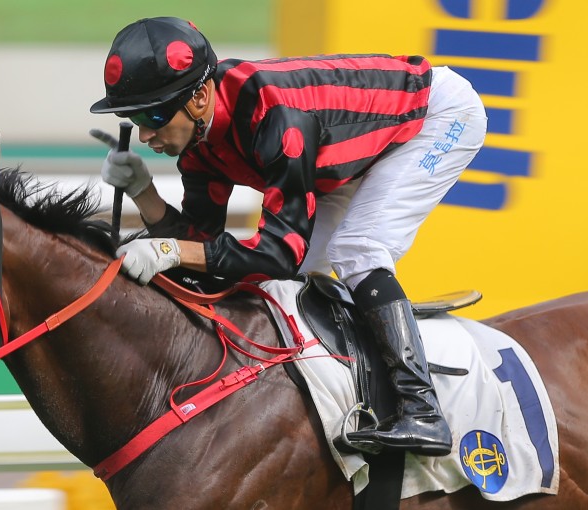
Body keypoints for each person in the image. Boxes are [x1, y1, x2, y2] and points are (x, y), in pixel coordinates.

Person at [90, 16, 486, 456]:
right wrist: (144, 194)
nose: (146, 135)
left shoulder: (277, 117)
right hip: (341, 151)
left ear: (200, 97)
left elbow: (276, 251)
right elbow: (202, 246)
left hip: (435, 118)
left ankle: (423, 411)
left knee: (357, 250)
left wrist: (166, 248)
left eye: (155, 115)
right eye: (135, 118)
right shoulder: (201, 142)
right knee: (289, 285)